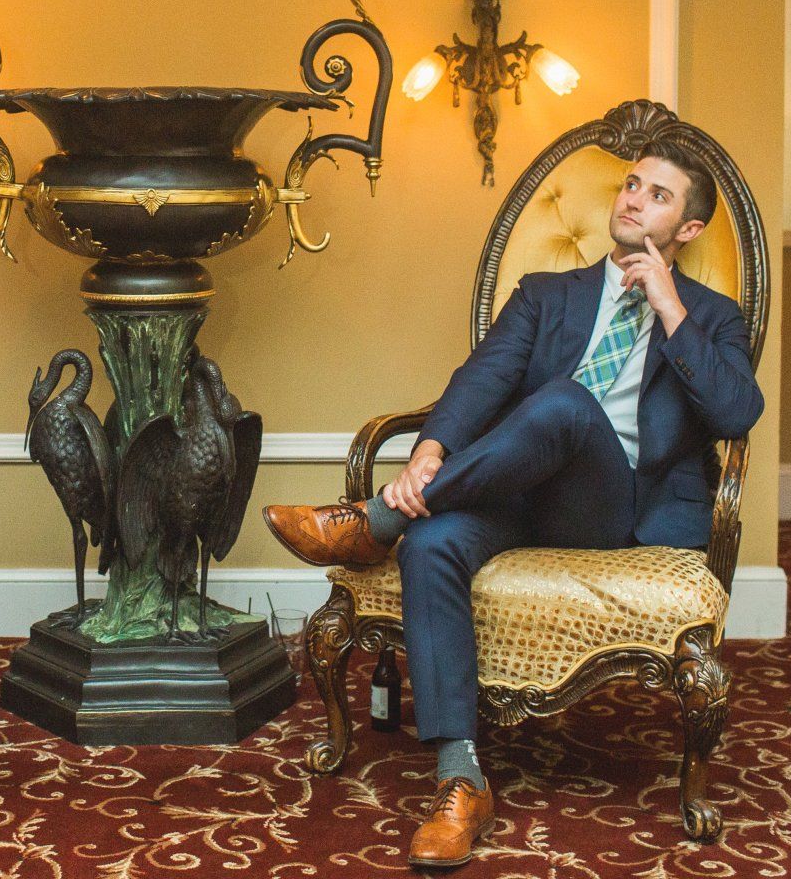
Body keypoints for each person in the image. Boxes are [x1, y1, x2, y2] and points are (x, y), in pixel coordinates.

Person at [263, 139, 763, 870]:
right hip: (516, 492)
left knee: (564, 403)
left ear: (688, 230)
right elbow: (481, 380)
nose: (633, 199)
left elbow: (736, 412)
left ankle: (377, 520)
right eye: (631, 184)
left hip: (616, 509)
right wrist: (430, 451)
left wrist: (668, 307)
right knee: (432, 543)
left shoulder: (710, 318)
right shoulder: (545, 294)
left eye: (658, 195)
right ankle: (460, 780)